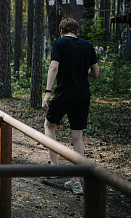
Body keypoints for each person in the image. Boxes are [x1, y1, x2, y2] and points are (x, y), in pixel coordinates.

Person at [42, 18, 99, 195]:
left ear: (61, 30)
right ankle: (76, 181)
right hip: (83, 94)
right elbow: (95, 73)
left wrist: (47, 92)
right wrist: (81, 72)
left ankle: (55, 169)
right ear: (76, 30)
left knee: (49, 125)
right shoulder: (87, 46)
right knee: (77, 136)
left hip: (64, 92)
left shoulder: (59, 43)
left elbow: (53, 67)